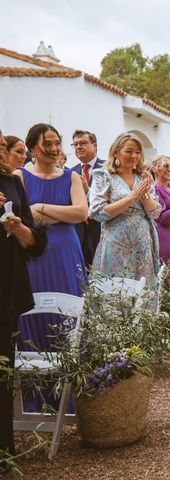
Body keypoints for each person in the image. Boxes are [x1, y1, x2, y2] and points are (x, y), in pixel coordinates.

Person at [15, 124, 87, 411]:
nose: (55, 149)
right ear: (33, 147)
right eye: (48, 144)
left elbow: (81, 213)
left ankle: (70, 397)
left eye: (57, 143)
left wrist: (41, 209)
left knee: (68, 317)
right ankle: (34, 399)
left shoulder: (72, 177)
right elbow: (21, 218)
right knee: (33, 316)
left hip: (66, 256)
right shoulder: (19, 177)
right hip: (33, 256)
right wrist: (60, 214)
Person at [0, 128, 47, 461]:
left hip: (7, 287)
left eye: (2, 145)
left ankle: (3, 451)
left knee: (3, 370)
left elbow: (34, 244)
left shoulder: (14, 183)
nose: (0, 151)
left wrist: (17, 228)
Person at [89, 132, 160, 286]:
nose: (134, 155)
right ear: (116, 152)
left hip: (142, 243)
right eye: (129, 151)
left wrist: (143, 194)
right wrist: (131, 197)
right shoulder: (103, 175)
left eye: (137, 151)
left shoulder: (144, 176)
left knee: (142, 293)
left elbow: (154, 213)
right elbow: (97, 212)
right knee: (115, 289)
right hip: (116, 244)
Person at [70, 130, 105, 268]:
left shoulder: (107, 168)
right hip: (78, 232)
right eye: (75, 144)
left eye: (83, 143)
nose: (79, 147)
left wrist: (87, 191)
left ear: (94, 146)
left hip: (101, 230)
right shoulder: (70, 172)